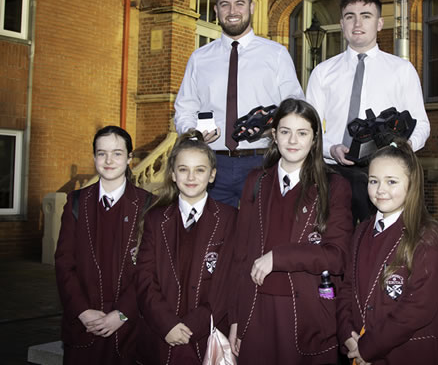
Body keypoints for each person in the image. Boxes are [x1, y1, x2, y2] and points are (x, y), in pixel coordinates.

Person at [228, 98, 353, 365]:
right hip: (256, 310)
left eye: (302, 132)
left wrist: (279, 257)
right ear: (274, 136)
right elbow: (240, 256)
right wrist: (236, 318)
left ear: (315, 139)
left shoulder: (334, 186)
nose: (293, 140)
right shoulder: (256, 181)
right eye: (285, 132)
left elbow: (337, 256)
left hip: (308, 313)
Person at [174, 0, 304, 208]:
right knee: (213, 237)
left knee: (259, 237)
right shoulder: (199, 58)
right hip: (212, 163)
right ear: (216, 10)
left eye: (239, 3)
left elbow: (294, 106)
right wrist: (192, 133)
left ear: (251, 7)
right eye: (225, 4)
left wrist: (270, 129)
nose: (232, 11)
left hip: (261, 160)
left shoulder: (276, 54)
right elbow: (185, 108)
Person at [306, 0, 430, 224]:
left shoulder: (401, 70)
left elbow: (421, 125)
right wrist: (331, 149)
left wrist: (398, 150)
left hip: (383, 176)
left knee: (380, 247)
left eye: (366, 15)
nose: (358, 23)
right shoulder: (323, 72)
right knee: (332, 243)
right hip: (332, 172)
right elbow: (309, 129)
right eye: (350, 16)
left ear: (380, 23)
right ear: (342, 24)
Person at [336, 139, 438, 365]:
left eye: (392, 182)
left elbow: (418, 307)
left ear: (411, 183)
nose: (380, 190)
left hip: (405, 354)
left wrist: (368, 347)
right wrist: (347, 334)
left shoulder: (426, 236)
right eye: (374, 181)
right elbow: (346, 288)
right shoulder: (361, 230)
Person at [135, 130, 237, 365]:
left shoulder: (230, 218)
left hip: (207, 333)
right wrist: (166, 323)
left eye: (199, 170)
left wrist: (193, 325)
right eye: (183, 169)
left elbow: (229, 280)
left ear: (212, 175)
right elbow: (144, 278)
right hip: (163, 333)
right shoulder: (155, 219)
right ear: (172, 174)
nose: (191, 177)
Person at [55, 126, 152, 365]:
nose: (109, 160)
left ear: (129, 158)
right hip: (83, 325)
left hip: (129, 327)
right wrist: (82, 311)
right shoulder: (76, 203)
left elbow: (149, 271)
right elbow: (64, 264)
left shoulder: (148, 205)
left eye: (117, 153)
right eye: (102, 153)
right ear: (94, 157)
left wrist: (121, 313)